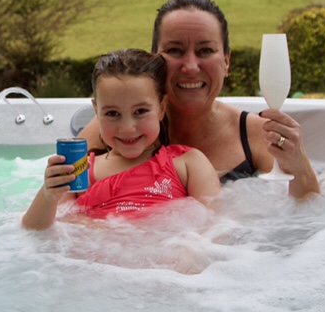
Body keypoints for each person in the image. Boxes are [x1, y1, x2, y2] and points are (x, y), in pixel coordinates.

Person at [78, 0, 320, 199]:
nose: (191, 67)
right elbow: (66, 200)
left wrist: (299, 165)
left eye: (205, 50)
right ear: (154, 60)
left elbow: (308, 214)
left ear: (226, 61)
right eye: (175, 50)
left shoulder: (256, 135)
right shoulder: (116, 127)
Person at [22, 48, 221, 230]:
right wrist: (48, 194)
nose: (127, 128)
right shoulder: (82, 171)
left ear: (161, 107)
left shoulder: (188, 164)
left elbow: (216, 231)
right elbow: (36, 231)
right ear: (96, 110)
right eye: (112, 114)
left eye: (140, 111)